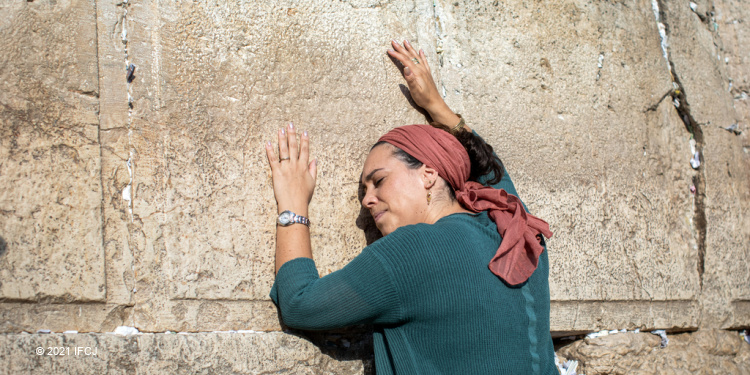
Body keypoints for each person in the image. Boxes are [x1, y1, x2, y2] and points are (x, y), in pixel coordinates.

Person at [264, 40, 556, 374]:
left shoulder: (410, 250)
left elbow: (300, 304)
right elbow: (491, 170)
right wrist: (437, 106)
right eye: (364, 188)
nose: (367, 199)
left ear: (429, 174)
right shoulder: (515, 229)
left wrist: (292, 204)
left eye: (379, 180)